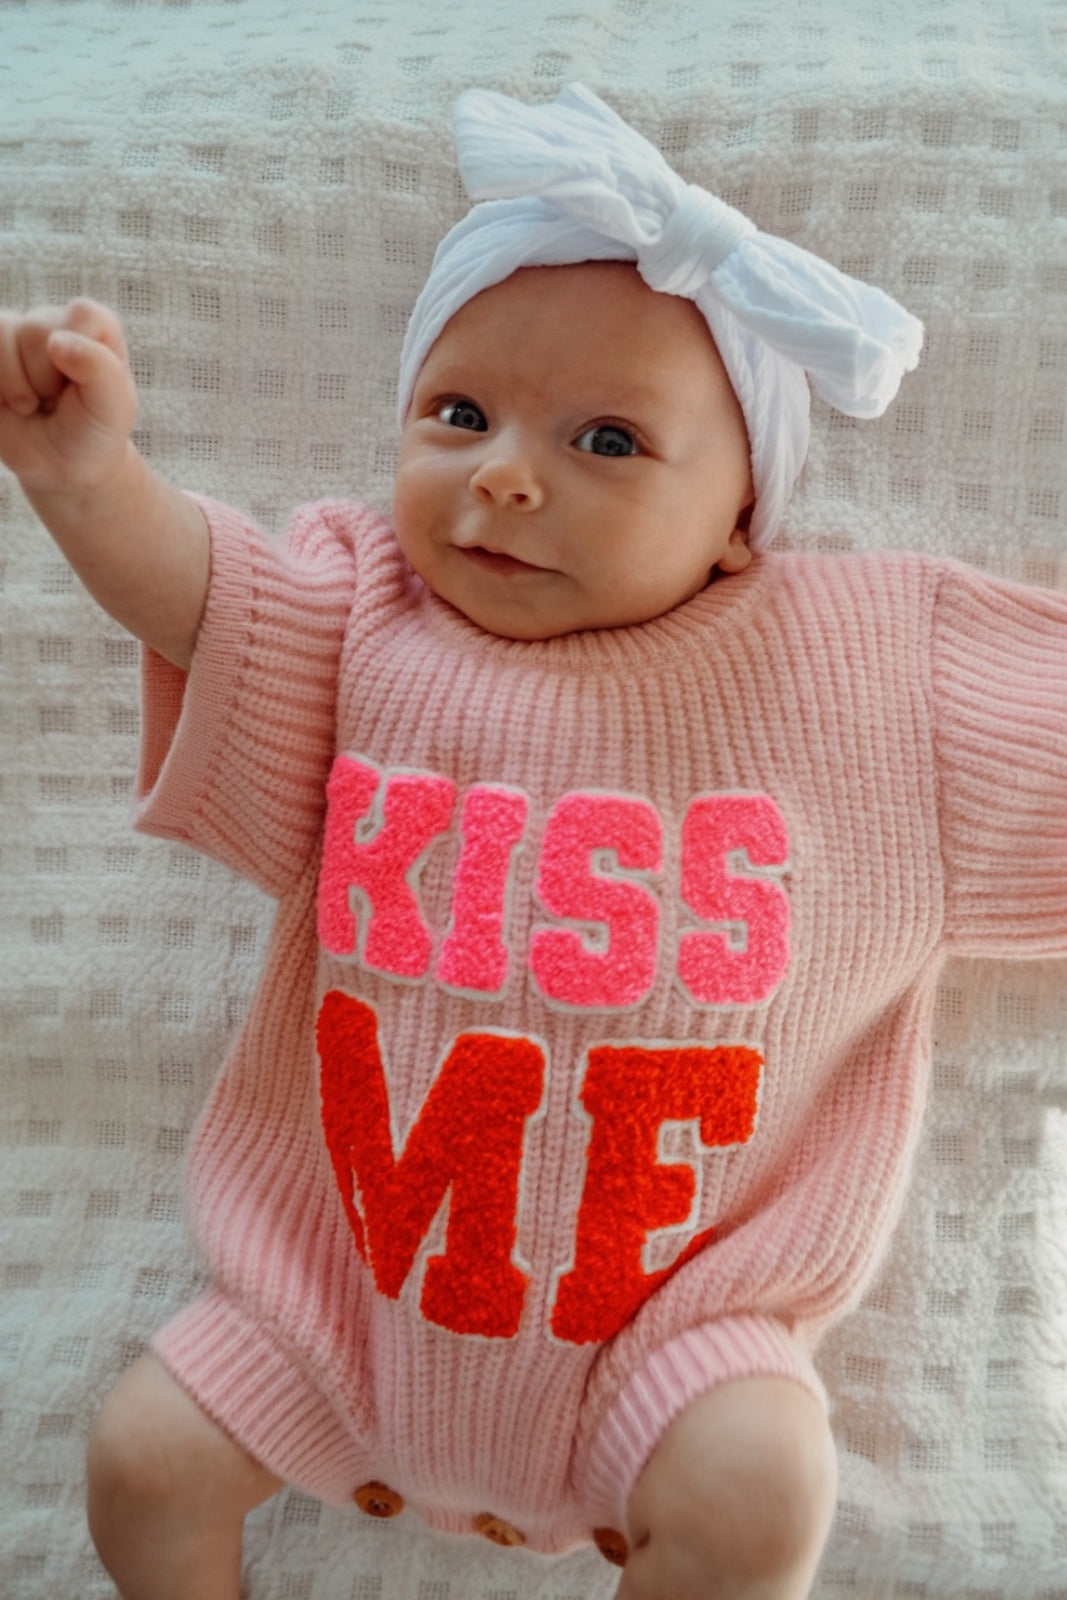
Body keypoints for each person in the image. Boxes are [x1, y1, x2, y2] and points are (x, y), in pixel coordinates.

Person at [0, 83, 1064, 1600]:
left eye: (609, 440)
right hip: (336, 1300)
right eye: (459, 414)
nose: (504, 471)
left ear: (740, 521)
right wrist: (89, 481)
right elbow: (200, 594)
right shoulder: (369, 615)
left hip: (671, 1336)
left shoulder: (868, 670)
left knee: (764, 1485)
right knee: (141, 1463)